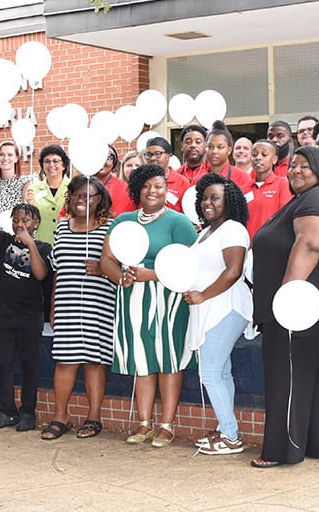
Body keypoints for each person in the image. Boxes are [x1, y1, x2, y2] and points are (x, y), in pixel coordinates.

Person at [250, 146, 319, 468]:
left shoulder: (318, 198)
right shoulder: (306, 199)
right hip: (305, 308)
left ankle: (282, 450)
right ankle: (311, 445)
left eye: (305, 165)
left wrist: (287, 300)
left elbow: (311, 244)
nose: (296, 170)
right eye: (292, 166)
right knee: (307, 376)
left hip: (297, 308)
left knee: (286, 377)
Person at [99, 164, 198, 448]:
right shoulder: (124, 221)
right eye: (146, 186)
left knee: (168, 359)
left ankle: (166, 425)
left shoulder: (178, 222)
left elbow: (191, 264)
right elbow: (107, 258)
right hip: (133, 299)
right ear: (137, 190)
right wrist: (122, 278)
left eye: (159, 186)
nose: (153, 191)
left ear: (167, 190)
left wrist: (152, 274)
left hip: (169, 298)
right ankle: (144, 423)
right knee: (142, 360)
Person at [182, 174, 253, 456]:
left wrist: (202, 295)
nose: (207, 202)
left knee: (209, 372)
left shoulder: (233, 229)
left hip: (227, 307)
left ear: (230, 202)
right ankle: (226, 430)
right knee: (221, 372)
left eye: (215, 197)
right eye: (204, 197)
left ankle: (231, 436)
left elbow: (233, 271)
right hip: (211, 308)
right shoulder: (206, 231)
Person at [0, 189, 52, 431]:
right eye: (16, 220)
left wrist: (30, 245)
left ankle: (28, 412)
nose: (20, 224)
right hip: (4, 314)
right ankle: (6, 410)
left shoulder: (44, 247)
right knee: (3, 364)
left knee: (30, 365)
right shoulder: (5, 242)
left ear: (36, 222)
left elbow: (40, 274)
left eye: (25, 220)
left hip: (30, 315)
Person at [44, 176, 116, 440]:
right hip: (66, 303)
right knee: (66, 361)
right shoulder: (61, 228)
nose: (82, 200)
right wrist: (52, 305)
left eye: (90, 196)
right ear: (70, 198)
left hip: (99, 304)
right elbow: (57, 271)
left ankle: (93, 417)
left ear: (101, 200)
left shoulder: (110, 227)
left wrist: (102, 269)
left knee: (94, 362)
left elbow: (119, 269)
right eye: (77, 195)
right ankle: (60, 416)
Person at [246, 139, 293, 238]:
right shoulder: (243, 188)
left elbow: (284, 218)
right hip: (246, 246)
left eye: (264, 154)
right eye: (254, 154)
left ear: (274, 159)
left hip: (270, 244)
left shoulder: (282, 183)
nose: (258, 158)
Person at [29, 144, 70, 243]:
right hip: (42, 245)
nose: (51, 165)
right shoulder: (33, 190)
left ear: (63, 165)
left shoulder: (74, 188)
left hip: (67, 244)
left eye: (56, 161)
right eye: (47, 161)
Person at [200, 121, 254, 191]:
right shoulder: (199, 179)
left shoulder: (243, 178)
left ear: (229, 150)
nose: (214, 151)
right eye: (210, 147)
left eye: (220, 147)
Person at [140, 138, 190, 212]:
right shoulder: (141, 180)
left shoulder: (182, 182)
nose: (153, 158)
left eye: (158, 154)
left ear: (168, 156)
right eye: (148, 155)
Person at [0, 140, 33, 215]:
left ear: (16, 158)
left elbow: (28, 210)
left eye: (10, 155)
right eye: (1, 154)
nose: (5, 158)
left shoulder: (25, 182)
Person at [96, 145, 135, 217]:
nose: (101, 162)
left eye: (106, 158)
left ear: (113, 162)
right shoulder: (79, 186)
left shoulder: (126, 190)